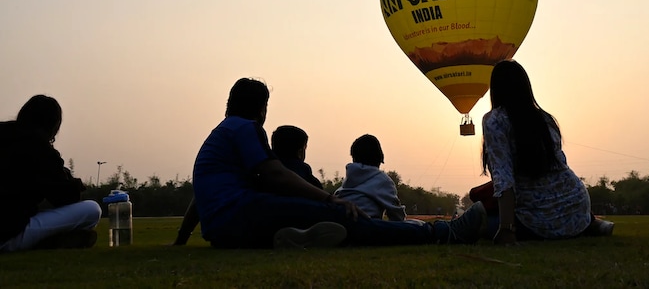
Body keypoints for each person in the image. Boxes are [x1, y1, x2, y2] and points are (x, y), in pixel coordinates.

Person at [191, 77, 487, 248]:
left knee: (317, 219)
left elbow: (199, 196)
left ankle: (296, 237)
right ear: (261, 108)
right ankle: (442, 232)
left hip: (223, 231)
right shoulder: (245, 128)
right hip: (242, 216)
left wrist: (183, 237)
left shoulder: (221, 134)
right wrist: (330, 199)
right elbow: (274, 174)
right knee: (343, 216)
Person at [481, 60, 614, 245]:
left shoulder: (495, 120)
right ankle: (592, 224)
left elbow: (503, 179)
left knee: (476, 220)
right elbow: (559, 167)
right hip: (578, 206)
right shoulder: (546, 119)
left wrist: (506, 229)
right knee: (486, 193)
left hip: (538, 218)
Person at [173, 123, 324, 245]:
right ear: (300, 151)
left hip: (253, 224)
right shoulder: (300, 171)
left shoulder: (256, 173)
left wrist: (182, 238)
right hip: (290, 215)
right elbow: (317, 193)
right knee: (330, 212)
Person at [0, 95, 102, 252]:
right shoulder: (38, 148)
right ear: (53, 126)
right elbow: (66, 197)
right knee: (92, 210)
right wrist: (76, 183)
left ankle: (51, 240)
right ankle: (49, 241)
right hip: (8, 234)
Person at [334, 134, 406, 221]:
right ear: (380, 158)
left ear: (353, 158)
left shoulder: (347, 181)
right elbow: (396, 213)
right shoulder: (382, 180)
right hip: (367, 223)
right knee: (416, 225)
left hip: (341, 221)